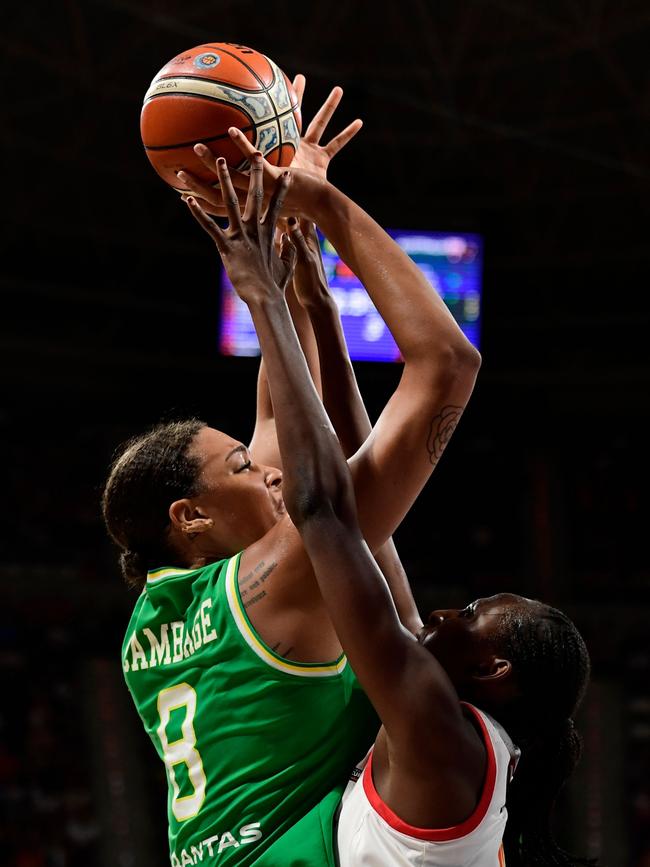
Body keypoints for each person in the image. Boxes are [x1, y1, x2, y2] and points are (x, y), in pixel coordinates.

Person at [101, 101, 481, 866]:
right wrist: (314, 203)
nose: (266, 467)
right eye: (241, 465)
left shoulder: (156, 616)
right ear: (191, 515)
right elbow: (445, 368)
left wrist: (282, 250)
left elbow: (283, 412)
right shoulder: (275, 576)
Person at [202, 159, 594, 866]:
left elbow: (326, 509)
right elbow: (352, 514)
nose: (442, 614)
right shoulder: (455, 728)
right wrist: (314, 301)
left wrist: (267, 291)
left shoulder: (440, 732)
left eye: (468, 615)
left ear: (494, 667)